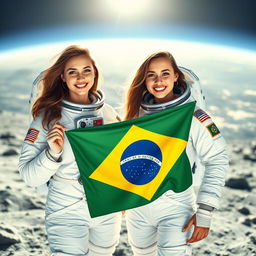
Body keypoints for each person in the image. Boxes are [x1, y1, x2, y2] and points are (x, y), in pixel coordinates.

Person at [18, 45, 122, 256]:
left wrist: (122, 195)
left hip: (106, 208)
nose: (81, 77)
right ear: (63, 78)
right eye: (72, 72)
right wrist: (52, 154)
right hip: (66, 208)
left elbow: (119, 162)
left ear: (95, 73)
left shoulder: (109, 114)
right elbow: (29, 176)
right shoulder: (47, 118)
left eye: (86, 70)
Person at [124, 51, 229, 256]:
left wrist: (205, 211)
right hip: (138, 208)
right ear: (144, 80)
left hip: (175, 207)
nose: (158, 81)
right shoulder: (135, 114)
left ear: (176, 77)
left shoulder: (193, 115)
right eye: (151, 75)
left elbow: (218, 158)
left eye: (165, 73)